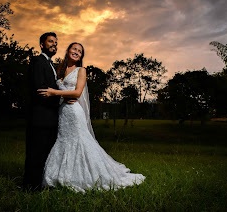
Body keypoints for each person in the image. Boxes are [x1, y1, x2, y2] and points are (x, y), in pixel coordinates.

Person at [38, 42, 145, 192]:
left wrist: (54, 93)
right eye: (74, 49)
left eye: (80, 51)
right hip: (63, 113)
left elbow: (77, 93)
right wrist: (59, 97)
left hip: (74, 112)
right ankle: (61, 176)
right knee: (64, 141)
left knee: (80, 142)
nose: (76, 52)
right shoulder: (60, 68)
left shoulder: (81, 70)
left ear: (81, 56)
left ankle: (88, 175)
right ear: (68, 50)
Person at [23, 32, 75, 191]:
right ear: (41, 44)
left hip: (50, 117)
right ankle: (31, 188)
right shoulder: (38, 61)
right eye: (50, 41)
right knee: (36, 152)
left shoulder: (51, 65)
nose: (54, 44)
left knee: (46, 152)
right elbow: (40, 90)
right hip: (40, 116)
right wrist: (61, 100)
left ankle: (41, 183)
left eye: (56, 42)